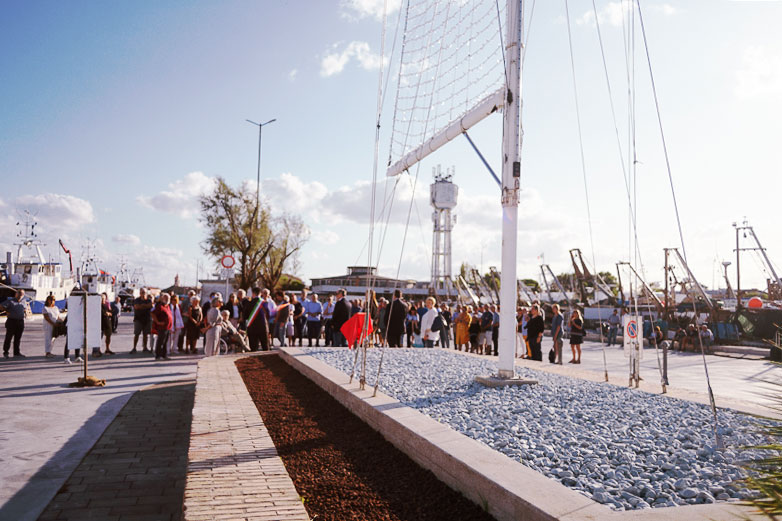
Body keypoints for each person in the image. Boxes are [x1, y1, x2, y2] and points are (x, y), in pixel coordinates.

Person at [245, 287, 270, 351]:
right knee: (265, 347)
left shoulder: (249, 303)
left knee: (253, 348)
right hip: (263, 327)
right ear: (260, 293)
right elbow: (268, 314)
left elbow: (245, 316)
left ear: (253, 293)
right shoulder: (265, 303)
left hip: (252, 327)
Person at [131, 288, 153, 353]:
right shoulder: (136, 300)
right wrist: (145, 306)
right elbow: (136, 307)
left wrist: (142, 306)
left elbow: (150, 305)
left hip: (147, 319)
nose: (143, 294)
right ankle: (134, 347)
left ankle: (145, 347)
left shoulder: (149, 300)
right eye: (141, 292)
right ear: (139, 293)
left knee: (145, 334)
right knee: (136, 334)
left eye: (144, 292)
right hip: (138, 319)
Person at [151, 293, 173, 360]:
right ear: (162, 299)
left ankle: (164, 355)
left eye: (168, 298)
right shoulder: (160, 306)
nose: (167, 299)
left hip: (168, 327)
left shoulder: (168, 306)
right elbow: (152, 313)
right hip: (162, 327)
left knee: (165, 342)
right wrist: (157, 322)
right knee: (160, 341)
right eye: (165, 298)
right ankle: (158, 356)